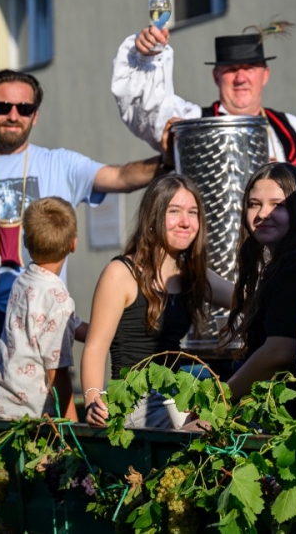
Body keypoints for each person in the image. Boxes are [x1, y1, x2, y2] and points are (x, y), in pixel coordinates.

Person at [0, 69, 163, 414]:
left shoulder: (58, 163)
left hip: (45, 315)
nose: (13, 115)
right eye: (3, 106)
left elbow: (122, 176)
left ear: (35, 115)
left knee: (46, 426)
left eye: (24, 108)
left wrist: (170, 156)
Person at [81, 173, 234, 429]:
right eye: (174, 211)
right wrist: (93, 401)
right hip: (132, 402)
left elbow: (247, 300)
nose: (185, 222)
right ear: (153, 217)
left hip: (175, 398)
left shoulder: (192, 276)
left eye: (193, 212)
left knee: (231, 420)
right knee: (212, 430)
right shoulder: (121, 273)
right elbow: (95, 347)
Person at [111, 24, 296, 174]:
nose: (240, 78)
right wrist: (146, 57)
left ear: (265, 75)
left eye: (249, 69)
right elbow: (149, 111)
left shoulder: (294, 129)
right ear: (216, 76)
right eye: (231, 70)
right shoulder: (193, 122)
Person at [0, 198, 86, 421]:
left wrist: (99, 335)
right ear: (73, 244)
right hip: (31, 416)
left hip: (1, 403)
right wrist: (73, 427)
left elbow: (58, 323)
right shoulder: (58, 300)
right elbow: (56, 372)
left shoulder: (23, 281)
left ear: (26, 243)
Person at [222, 163, 296, 403]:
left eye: (277, 205)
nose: (262, 214)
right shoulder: (282, 263)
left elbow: (280, 352)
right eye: (254, 204)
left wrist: (219, 401)